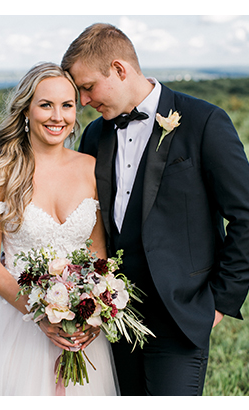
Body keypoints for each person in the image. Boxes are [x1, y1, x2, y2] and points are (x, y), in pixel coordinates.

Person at [66, 23, 249, 395]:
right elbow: (75, 215)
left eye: (87, 87)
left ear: (119, 70)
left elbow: (246, 215)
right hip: (112, 318)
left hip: (180, 317)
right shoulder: (94, 135)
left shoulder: (204, 122)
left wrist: (219, 302)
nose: (83, 101)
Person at [0, 62, 116, 395]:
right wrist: (39, 314)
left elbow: (98, 252)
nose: (58, 116)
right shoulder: (0, 172)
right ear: (26, 108)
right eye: (46, 105)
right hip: (16, 325)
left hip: (81, 332)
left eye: (67, 105)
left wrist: (92, 309)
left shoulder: (91, 169)